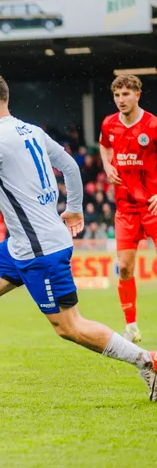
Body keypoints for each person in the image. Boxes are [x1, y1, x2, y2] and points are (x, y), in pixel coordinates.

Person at [0, 73, 157, 402]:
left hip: (42, 251)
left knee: (70, 327)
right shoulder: (31, 130)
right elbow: (69, 164)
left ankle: (147, 360)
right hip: (21, 245)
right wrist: (75, 208)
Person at [98, 74, 157, 343]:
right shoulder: (109, 124)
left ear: (137, 95)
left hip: (152, 205)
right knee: (124, 267)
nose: (121, 100)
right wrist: (108, 165)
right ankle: (131, 326)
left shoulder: (153, 125)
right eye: (117, 95)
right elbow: (103, 146)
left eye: (126, 95)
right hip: (125, 208)